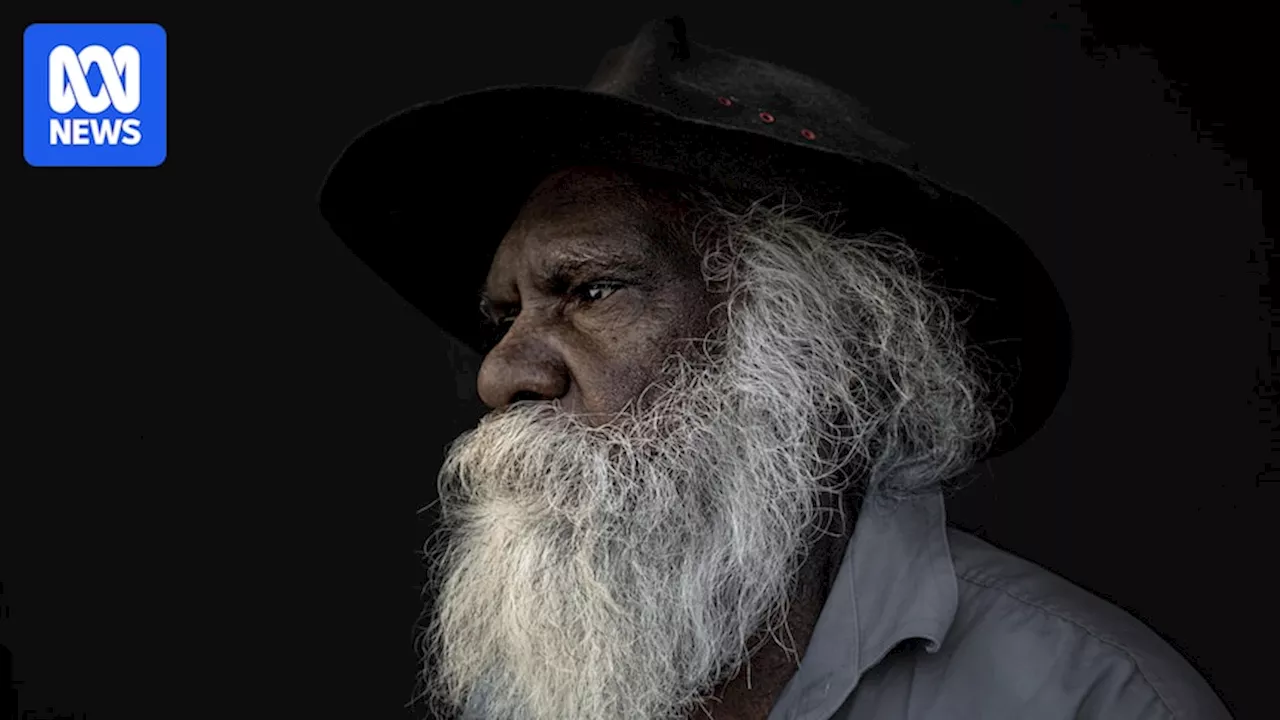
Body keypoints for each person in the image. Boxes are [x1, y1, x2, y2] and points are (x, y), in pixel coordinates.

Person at [318, 16, 1232, 720]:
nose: (501, 376)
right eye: (504, 315)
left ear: (812, 347)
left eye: (591, 291)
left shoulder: (1087, 697)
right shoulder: (525, 694)